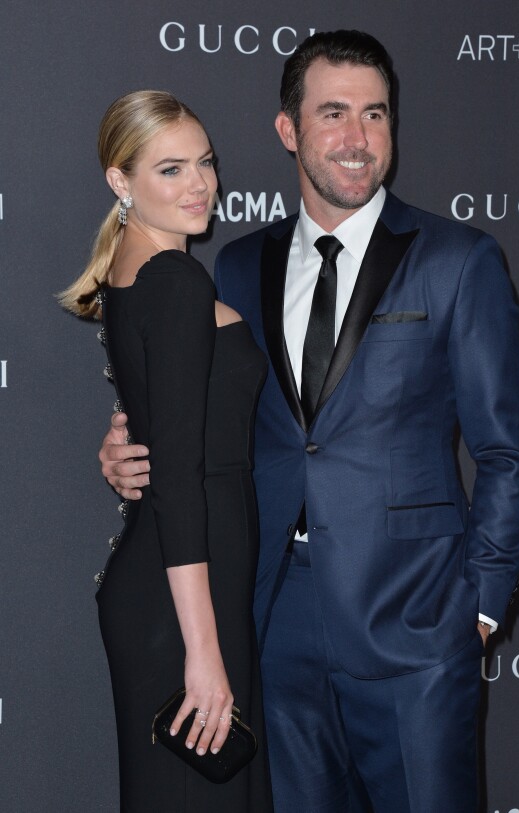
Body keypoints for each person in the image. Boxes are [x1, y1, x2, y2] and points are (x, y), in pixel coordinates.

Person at [99, 32, 519, 813]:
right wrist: (125, 443)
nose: (357, 138)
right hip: (269, 619)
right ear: (287, 129)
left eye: (375, 114)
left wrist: (477, 611)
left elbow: (509, 453)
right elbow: (202, 413)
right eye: (333, 113)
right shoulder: (235, 265)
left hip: (413, 625)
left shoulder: (457, 259)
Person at [60, 90, 273, 812]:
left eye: (206, 164)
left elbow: (166, 425)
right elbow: (179, 478)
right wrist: (203, 649)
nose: (202, 185)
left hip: (174, 588)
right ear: (122, 183)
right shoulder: (176, 279)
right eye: (172, 169)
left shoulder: (131, 268)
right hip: (184, 602)